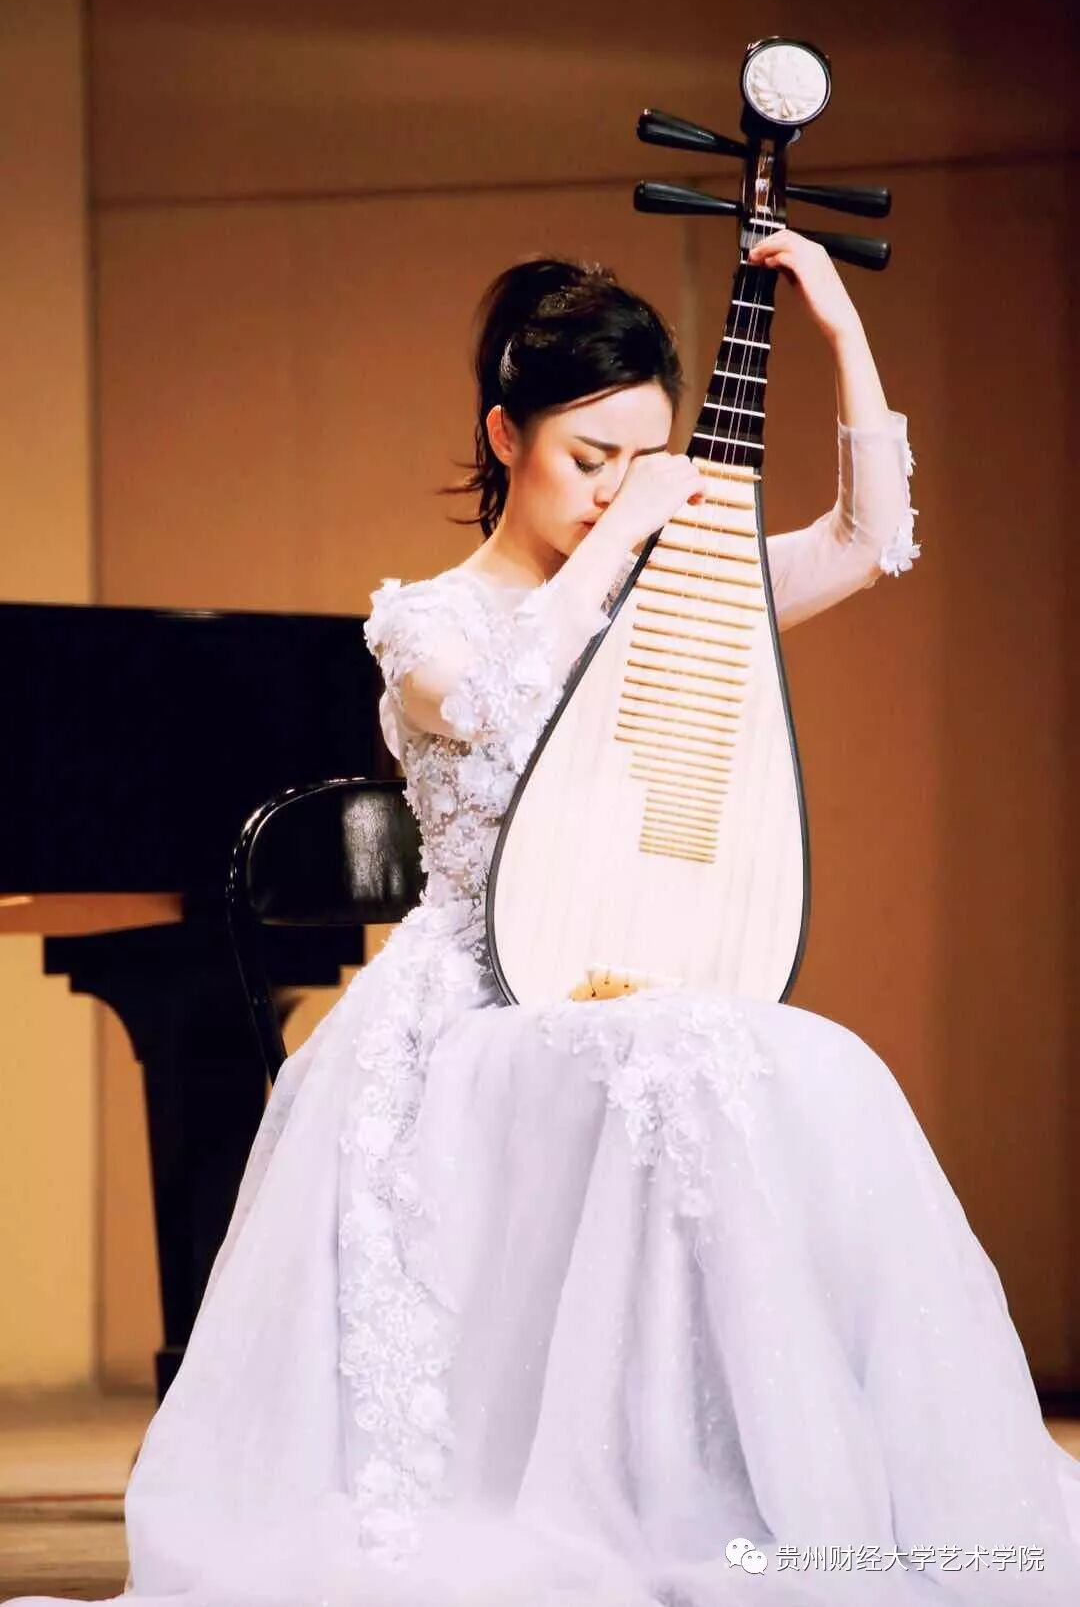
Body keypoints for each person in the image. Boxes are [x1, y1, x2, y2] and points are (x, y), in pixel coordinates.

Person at [10, 238, 1080, 1607]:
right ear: (505, 435)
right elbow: (495, 701)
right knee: (677, 1061)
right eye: (590, 458)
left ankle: (757, 1495)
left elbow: (868, 546)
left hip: (620, 987)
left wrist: (838, 324)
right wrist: (628, 542)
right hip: (468, 1011)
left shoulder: (669, 603)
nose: (616, 491)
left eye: (643, 461)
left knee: (818, 1068)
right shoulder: (422, 621)